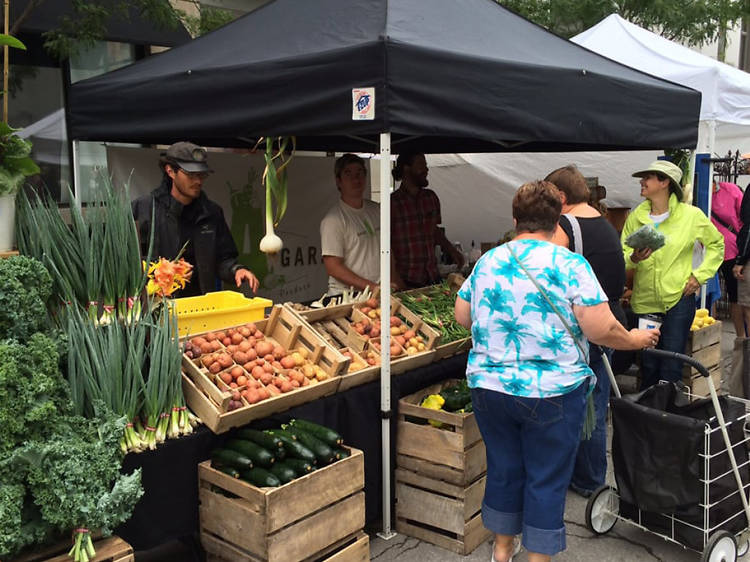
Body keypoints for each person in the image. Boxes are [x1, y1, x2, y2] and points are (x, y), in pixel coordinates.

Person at [454, 181, 658, 562]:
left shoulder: (489, 260)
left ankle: (501, 550)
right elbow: (600, 328)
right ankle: (538, 558)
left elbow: (462, 316)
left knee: (504, 469)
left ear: (515, 220)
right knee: (545, 478)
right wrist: (634, 340)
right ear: (557, 221)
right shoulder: (570, 264)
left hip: (489, 389)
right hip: (552, 393)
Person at [546, 165, 626, 498]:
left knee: (584, 409)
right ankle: (590, 477)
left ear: (561, 197)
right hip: (607, 323)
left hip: (584, 331)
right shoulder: (602, 223)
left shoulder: (567, 225)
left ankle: (588, 480)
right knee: (594, 404)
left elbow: (549, 270)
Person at [622, 160, 723, 390]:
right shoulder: (637, 216)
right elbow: (623, 253)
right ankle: (648, 417)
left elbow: (717, 245)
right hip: (646, 302)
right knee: (648, 365)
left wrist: (699, 276)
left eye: (648, 177)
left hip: (678, 300)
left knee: (671, 365)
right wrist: (634, 258)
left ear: (665, 182)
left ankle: (668, 418)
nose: (642, 182)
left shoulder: (691, 216)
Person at [132, 141, 259, 297]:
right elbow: (128, 262)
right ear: (170, 171)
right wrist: (162, 274)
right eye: (191, 175)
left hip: (201, 305)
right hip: (156, 310)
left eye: (202, 175)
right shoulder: (143, 209)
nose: (198, 181)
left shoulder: (212, 212)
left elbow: (224, 258)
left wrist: (236, 270)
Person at [390, 152, 464, 288]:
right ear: (406, 168)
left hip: (431, 276)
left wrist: (451, 250)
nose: (426, 169)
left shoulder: (431, 198)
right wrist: (394, 278)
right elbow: (386, 245)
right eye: (421, 165)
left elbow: (435, 231)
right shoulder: (392, 203)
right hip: (406, 279)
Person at [320, 154, 380, 295]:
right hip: (346, 297)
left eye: (359, 173)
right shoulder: (333, 220)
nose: (356, 179)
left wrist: (392, 281)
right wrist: (372, 287)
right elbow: (333, 267)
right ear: (338, 181)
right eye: (348, 174)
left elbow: (388, 251)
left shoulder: (377, 209)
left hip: (377, 294)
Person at [710, 179, 744, 335]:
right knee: (709, 293)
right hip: (706, 252)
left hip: (730, 251)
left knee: (735, 296)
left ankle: (741, 337)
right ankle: (709, 334)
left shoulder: (730, 191)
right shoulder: (695, 195)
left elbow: (744, 219)